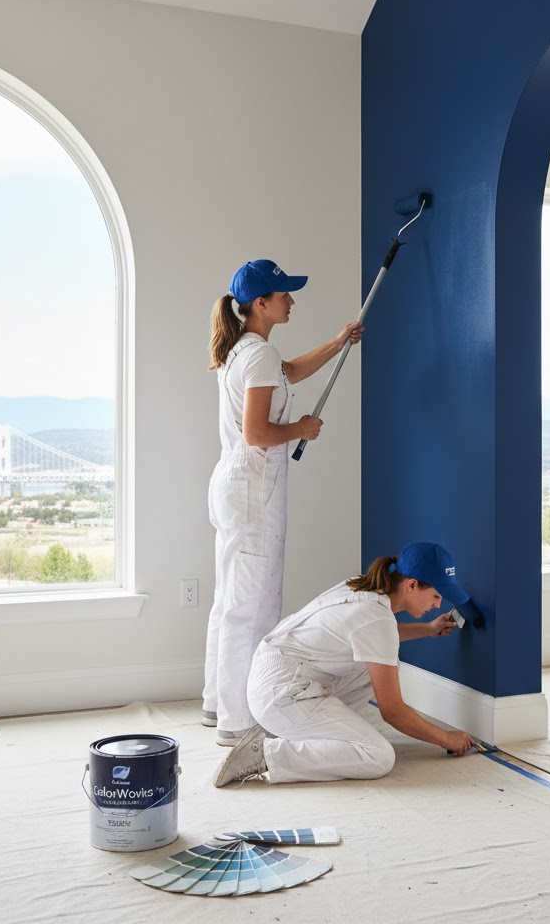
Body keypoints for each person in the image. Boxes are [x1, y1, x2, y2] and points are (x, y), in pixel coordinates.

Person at [203, 258, 362, 747]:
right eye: (283, 294)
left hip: (235, 484)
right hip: (254, 487)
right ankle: (237, 722)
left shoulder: (244, 350)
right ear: (260, 303)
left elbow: (289, 372)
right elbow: (257, 433)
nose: (291, 300)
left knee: (230, 601)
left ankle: (216, 702)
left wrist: (338, 342)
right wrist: (301, 429)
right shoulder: (258, 355)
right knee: (250, 607)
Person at [212, 542, 475, 787]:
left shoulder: (362, 588)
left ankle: (307, 732)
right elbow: (392, 711)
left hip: (277, 676)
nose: (438, 604)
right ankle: (264, 755)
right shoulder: (377, 619)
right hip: (281, 692)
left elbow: (374, 636)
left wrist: (427, 629)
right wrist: (445, 738)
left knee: (382, 661)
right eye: (436, 595)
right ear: (412, 585)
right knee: (378, 756)